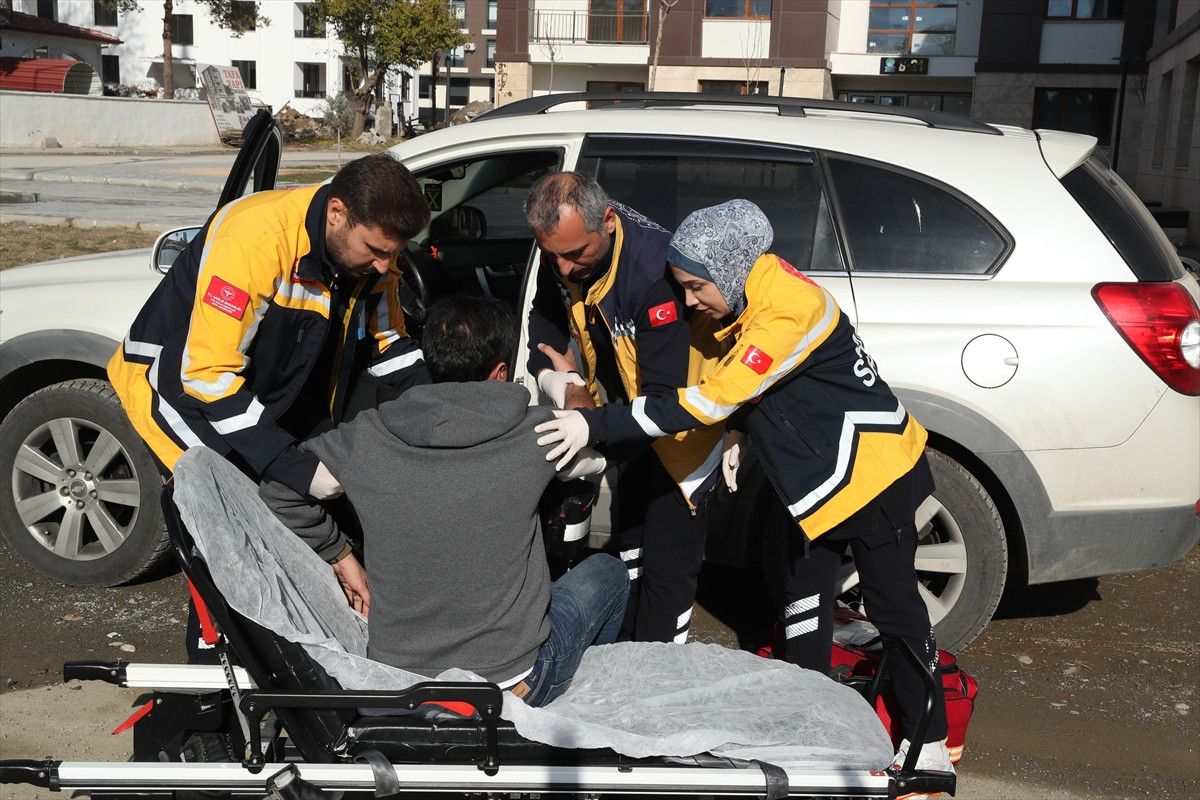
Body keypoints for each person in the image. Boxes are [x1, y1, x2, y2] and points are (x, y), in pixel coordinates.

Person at [534, 199, 953, 771]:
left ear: (727, 270)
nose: (689, 302)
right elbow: (760, 385)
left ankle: (930, 742)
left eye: (695, 287)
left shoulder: (789, 311)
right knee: (802, 606)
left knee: (894, 608)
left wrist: (595, 424)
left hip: (876, 477)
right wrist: (739, 430)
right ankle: (807, 733)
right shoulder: (753, 285)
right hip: (817, 483)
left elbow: (712, 397)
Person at [108, 152, 432, 651]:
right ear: (338, 212)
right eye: (376, 251)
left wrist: (439, 414)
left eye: (395, 253)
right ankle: (217, 677)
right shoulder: (256, 238)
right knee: (231, 544)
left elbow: (389, 346)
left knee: (287, 530)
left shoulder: (369, 256)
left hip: (260, 396)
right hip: (180, 397)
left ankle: (293, 658)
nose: (387, 266)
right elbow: (207, 375)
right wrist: (290, 465)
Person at [261, 296, 628, 706]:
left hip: (398, 690)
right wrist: (571, 382)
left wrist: (340, 555)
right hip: (511, 688)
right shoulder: (537, 434)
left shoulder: (365, 437)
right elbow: (594, 436)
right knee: (609, 573)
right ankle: (570, 708)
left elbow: (281, 489)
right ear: (500, 373)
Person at [524, 171, 726, 644]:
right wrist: (563, 382)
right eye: (552, 255)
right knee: (631, 557)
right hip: (629, 421)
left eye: (575, 254)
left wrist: (594, 438)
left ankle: (657, 679)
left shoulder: (655, 277)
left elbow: (662, 404)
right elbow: (545, 320)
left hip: (682, 438)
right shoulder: (563, 250)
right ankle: (623, 663)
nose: (564, 269)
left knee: (666, 578)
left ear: (609, 221)